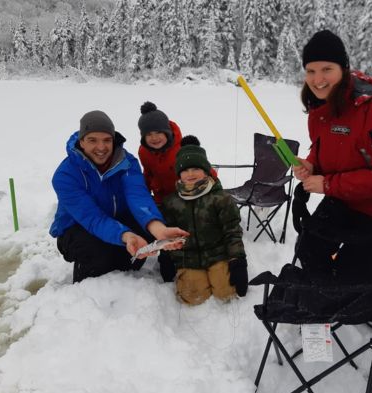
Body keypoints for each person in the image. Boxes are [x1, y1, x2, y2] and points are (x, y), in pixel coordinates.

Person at [292, 29, 372, 284]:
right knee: (308, 250)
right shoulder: (320, 108)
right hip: (345, 200)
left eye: (326, 69)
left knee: (355, 280)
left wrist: (327, 184)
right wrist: (311, 163)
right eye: (311, 71)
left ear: (344, 68)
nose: (317, 79)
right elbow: (325, 146)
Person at [50, 110, 188, 283]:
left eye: (107, 140)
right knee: (99, 254)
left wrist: (158, 229)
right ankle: (85, 288)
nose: (101, 148)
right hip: (77, 227)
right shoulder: (65, 175)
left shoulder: (127, 163)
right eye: (93, 140)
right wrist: (126, 235)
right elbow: (92, 218)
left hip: (117, 218)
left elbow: (138, 197)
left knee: (138, 242)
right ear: (82, 142)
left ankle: (127, 271)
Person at [161, 143, 247, 305]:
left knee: (226, 293)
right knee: (193, 297)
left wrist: (238, 260)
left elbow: (232, 231)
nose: (190, 174)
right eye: (185, 170)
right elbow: (168, 236)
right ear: (179, 174)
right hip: (188, 258)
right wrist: (166, 258)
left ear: (206, 171)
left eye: (196, 169)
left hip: (218, 255)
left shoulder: (221, 198)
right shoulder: (171, 203)